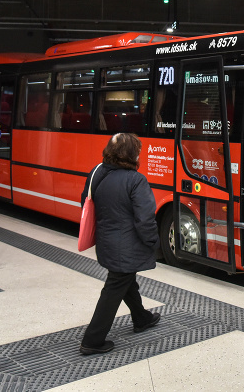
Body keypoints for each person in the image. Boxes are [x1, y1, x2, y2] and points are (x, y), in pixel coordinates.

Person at [79, 133, 161, 355]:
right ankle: (92, 340)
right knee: (115, 286)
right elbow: (145, 219)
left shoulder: (96, 173)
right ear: (132, 155)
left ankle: (141, 318)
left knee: (124, 279)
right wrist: (153, 242)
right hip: (126, 246)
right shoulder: (136, 180)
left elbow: (85, 205)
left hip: (106, 242)